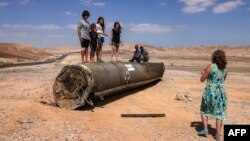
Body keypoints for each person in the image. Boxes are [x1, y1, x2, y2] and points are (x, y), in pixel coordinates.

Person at [198, 50, 228, 141]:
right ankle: (218, 135)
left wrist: (203, 73)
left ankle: (205, 130)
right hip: (220, 93)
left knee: (204, 110)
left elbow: (202, 79)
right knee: (219, 114)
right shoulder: (225, 69)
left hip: (210, 92)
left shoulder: (211, 67)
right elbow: (222, 81)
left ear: (214, 57)